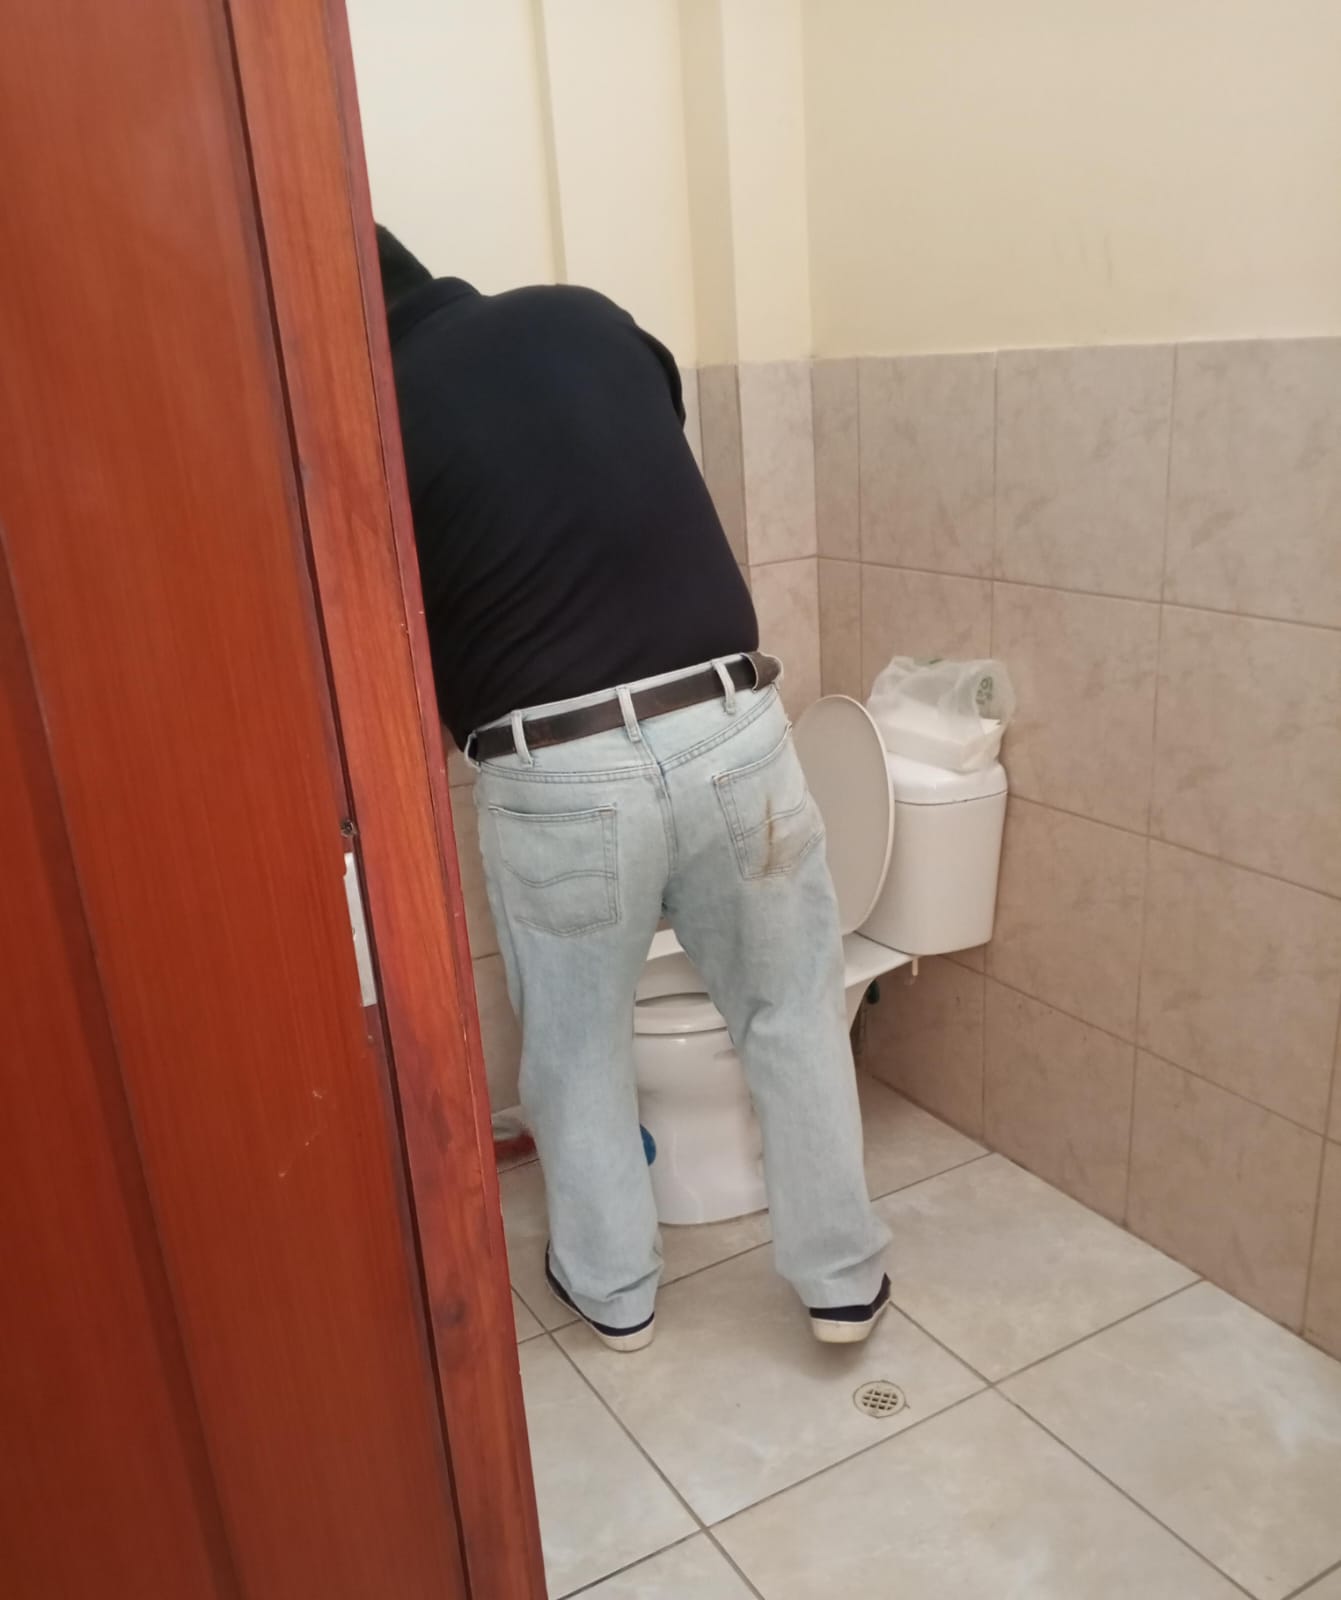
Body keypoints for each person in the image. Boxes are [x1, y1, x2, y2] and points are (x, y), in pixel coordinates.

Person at [376, 225, 889, 1351]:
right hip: (730, 724)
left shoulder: (372, 414)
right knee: (789, 1009)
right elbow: (648, 444)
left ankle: (614, 1295)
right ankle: (843, 1281)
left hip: (558, 765)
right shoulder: (585, 315)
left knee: (576, 1048)